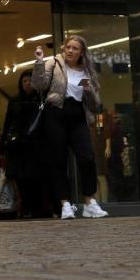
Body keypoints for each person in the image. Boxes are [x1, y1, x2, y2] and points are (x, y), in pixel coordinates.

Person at [32, 35, 108, 219]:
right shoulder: (55, 63)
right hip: (56, 113)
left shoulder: (87, 71)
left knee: (87, 157)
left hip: (77, 115)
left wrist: (89, 91)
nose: (70, 51)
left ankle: (89, 202)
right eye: (68, 47)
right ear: (63, 49)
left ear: (82, 52)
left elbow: (96, 104)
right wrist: (39, 62)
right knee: (59, 159)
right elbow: (38, 84)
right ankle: (65, 204)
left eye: (75, 48)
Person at [2, 69, 46, 217]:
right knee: (21, 180)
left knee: (37, 179)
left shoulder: (40, 100)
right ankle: (26, 208)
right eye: (24, 81)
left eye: (30, 80)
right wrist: (4, 143)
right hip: (18, 147)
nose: (27, 84)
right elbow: (8, 123)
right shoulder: (14, 101)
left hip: (36, 146)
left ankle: (38, 208)